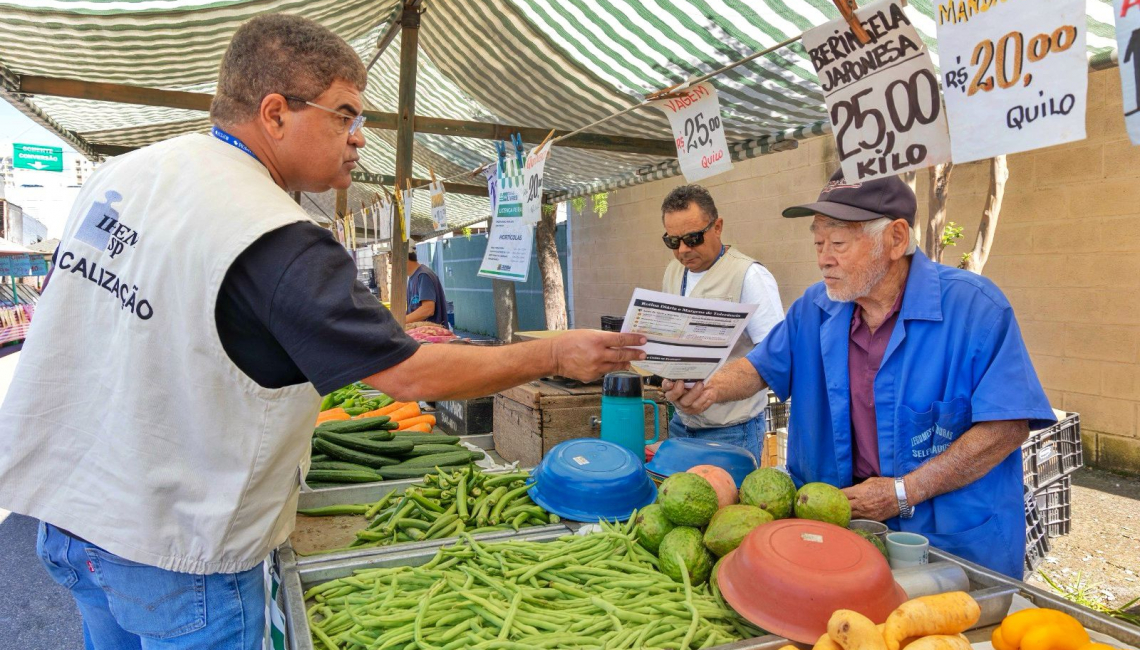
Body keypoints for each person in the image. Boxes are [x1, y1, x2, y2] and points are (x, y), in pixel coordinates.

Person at [0, 15, 644, 649]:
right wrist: (555, 350)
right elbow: (408, 375)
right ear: (275, 112)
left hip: (69, 517)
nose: (360, 137)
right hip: (174, 548)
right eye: (345, 114)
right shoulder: (273, 232)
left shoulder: (127, 177)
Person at [663, 169, 1054, 578]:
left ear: (896, 239)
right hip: (840, 532)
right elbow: (759, 368)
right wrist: (707, 387)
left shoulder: (975, 309)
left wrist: (904, 492)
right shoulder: (815, 307)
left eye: (838, 243)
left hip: (951, 544)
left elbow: (1007, 426)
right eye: (817, 241)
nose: (822, 257)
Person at [659, 185, 783, 460]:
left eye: (692, 238)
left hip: (732, 430)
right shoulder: (673, 271)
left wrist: (715, 388)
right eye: (673, 241)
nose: (683, 250)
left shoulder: (750, 276)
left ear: (718, 227)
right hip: (681, 423)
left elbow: (776, 356)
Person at [406, 249, 448, 326]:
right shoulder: (412, 277)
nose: (391, 263)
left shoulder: (423, 276)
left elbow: (428, 310)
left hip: (432, 335)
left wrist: (400, 322)